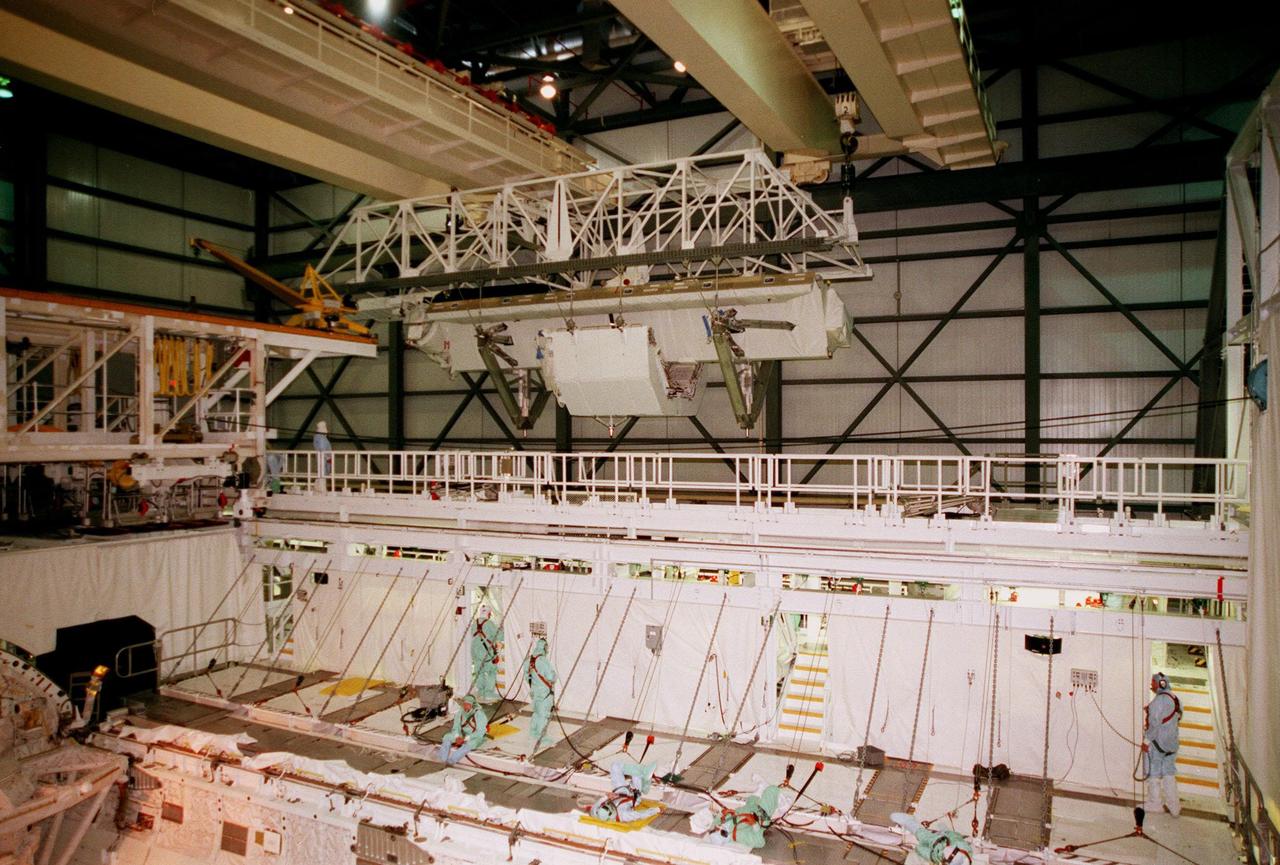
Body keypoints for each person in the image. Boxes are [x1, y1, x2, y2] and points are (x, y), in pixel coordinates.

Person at [1143, 671, 1183, 816]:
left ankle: (1155, 803)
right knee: (1169, 773)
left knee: (1153, 773)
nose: (1151, 685)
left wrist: (1147, 741)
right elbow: (1177, 717)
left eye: (1153, 682)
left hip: (1158, 744)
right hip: (1172, 744)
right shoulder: (1175, 698)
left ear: (1160, 683)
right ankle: (1174, 807)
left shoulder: (1157, 702)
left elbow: (1154, 724)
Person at [707, 785, 782, 849]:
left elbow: (716, 819)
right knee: (770, 791)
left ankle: (760, 790)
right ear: (726, 836)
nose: (719, 827)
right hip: (760, 815)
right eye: (722, 832)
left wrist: (724, 813)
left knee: (751, 801)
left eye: (715, 829)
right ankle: (779, 798)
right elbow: (760, 843)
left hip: (749, 808)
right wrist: (754, 824)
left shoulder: (717, 824)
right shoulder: (738, 836)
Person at [589, 761, 659, 823]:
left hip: (619, 791)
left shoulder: (598, 812)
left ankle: (644, 772)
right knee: (636, 776)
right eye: (611, 806)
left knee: (615, 766)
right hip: (633, 795)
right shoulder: (623, 815)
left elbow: (594, 809)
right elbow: (640, 815)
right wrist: (656, 810)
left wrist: (607, 796)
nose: (610, 803)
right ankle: (644, 785)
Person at [891, 812, 973, 864]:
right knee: (925, 836)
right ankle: (910, 822)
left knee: (924, 854)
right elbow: (953, 836)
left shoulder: (942, 857)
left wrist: (917, 848)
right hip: (944, 839)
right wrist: (945, 833)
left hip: (939, 850)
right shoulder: (960, 844)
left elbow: (930, 855)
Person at [523, 636, 557, 749]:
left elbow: (526, 676)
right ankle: (542, 737)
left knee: (536, 712)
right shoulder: (542, 660)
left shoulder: (529, 659)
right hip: (544, 692)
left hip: (534, 691)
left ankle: (533, 732)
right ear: (544, 647)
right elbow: (551, 676)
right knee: (543, 714)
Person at [438, 693, 488, 765]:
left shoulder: (479, 714)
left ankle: (452, 760)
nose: (465, 706)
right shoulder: (460, 712)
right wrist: (457, 736)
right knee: (447, 737)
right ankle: (442, 758)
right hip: (462, 735)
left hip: (474, 737)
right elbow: (456, 727)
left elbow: (480, 732)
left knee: (470, 744)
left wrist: (466, 739)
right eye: (464, 704)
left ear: (472, 705)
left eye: (468, 704)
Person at [470, 605, 503, 701]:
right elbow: (499, 636)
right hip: (486, 652)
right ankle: (488, 693)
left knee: (479, 671)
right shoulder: (489, 624)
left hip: (475, 651)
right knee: (491, 671)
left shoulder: (474, 623)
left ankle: (480, 691)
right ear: (488, 613)